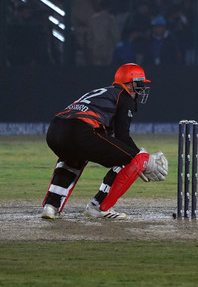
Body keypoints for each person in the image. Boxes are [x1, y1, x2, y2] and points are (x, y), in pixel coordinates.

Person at [41, 63, 168, 220]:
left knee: (73, 158)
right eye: (139, 85)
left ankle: (51, 206)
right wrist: (143, 160)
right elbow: (122, 137)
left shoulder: (104, 92)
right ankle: (99, 206)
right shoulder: (124, 96)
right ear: (130, 83)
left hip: (54, 130)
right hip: (80, 130)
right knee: (132, 158)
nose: (140, 90)